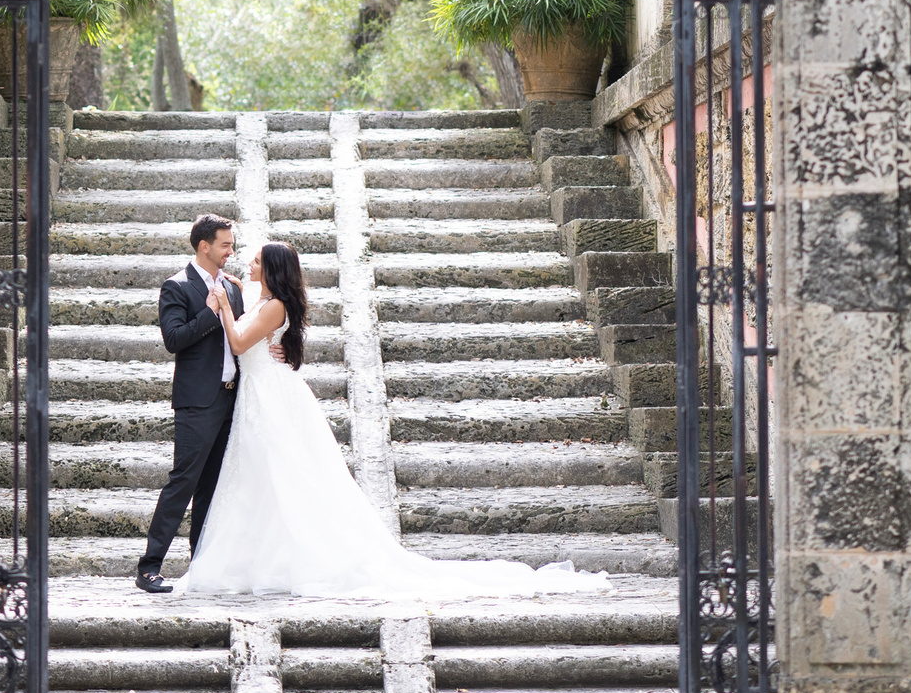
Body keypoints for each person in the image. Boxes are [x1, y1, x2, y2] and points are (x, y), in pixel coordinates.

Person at [180, 240, 606, 600]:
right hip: (258, 395)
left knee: (281, 476)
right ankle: (258, 558)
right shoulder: (263, 299)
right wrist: (235, 292)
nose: (248, 263)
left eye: (256, 260)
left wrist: (223, 307)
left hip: (270, 397)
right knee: (259, 479)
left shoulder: (274, 307)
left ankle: (296, 558)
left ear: (272, 268)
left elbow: (239, 343)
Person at [134, 214, 243, 594]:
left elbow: (241, 335)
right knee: (183, 482)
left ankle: (200, 567)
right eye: (225, 245)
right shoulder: (176, 286)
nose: (230, 252)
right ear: (204, 246)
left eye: (231, 245)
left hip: (232, 398)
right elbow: (174, 339)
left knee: (211, 488)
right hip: (197, 401)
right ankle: (149, 567)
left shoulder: (232, 287)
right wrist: (210, 312)